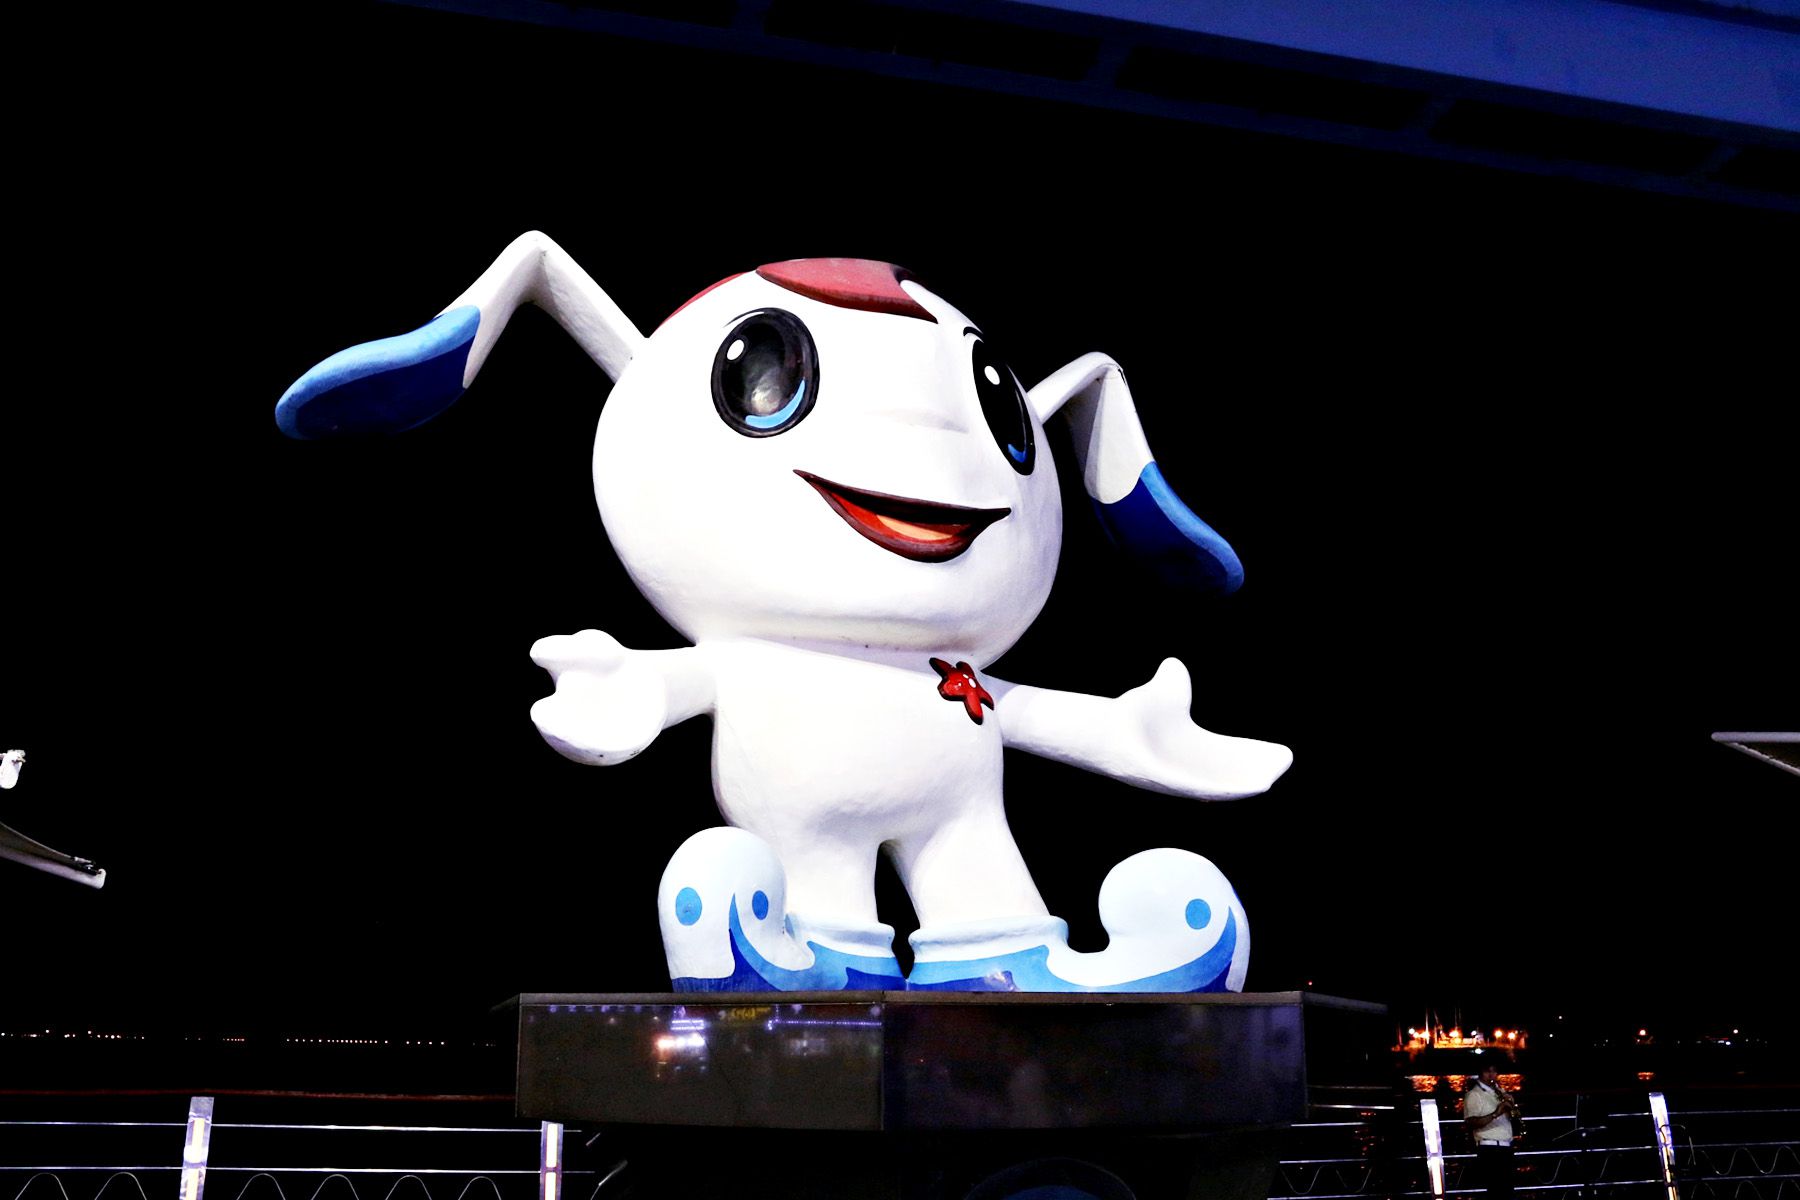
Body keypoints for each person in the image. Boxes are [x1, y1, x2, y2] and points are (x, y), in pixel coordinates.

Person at [1464, 1061, 1520, 1197]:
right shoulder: (1474, 1094)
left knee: (1507, 1190)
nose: (1491, 1075)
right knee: (1496, 1190)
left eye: (1494, 1071)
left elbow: (1512, 1117)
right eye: (1487, 1071)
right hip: (1489, 1148)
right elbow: (1471, 1123)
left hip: (1506, 1146)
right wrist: (1496, 1113)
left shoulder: (1499, 1091)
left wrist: (1511, 1107)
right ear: (1480, 1073)